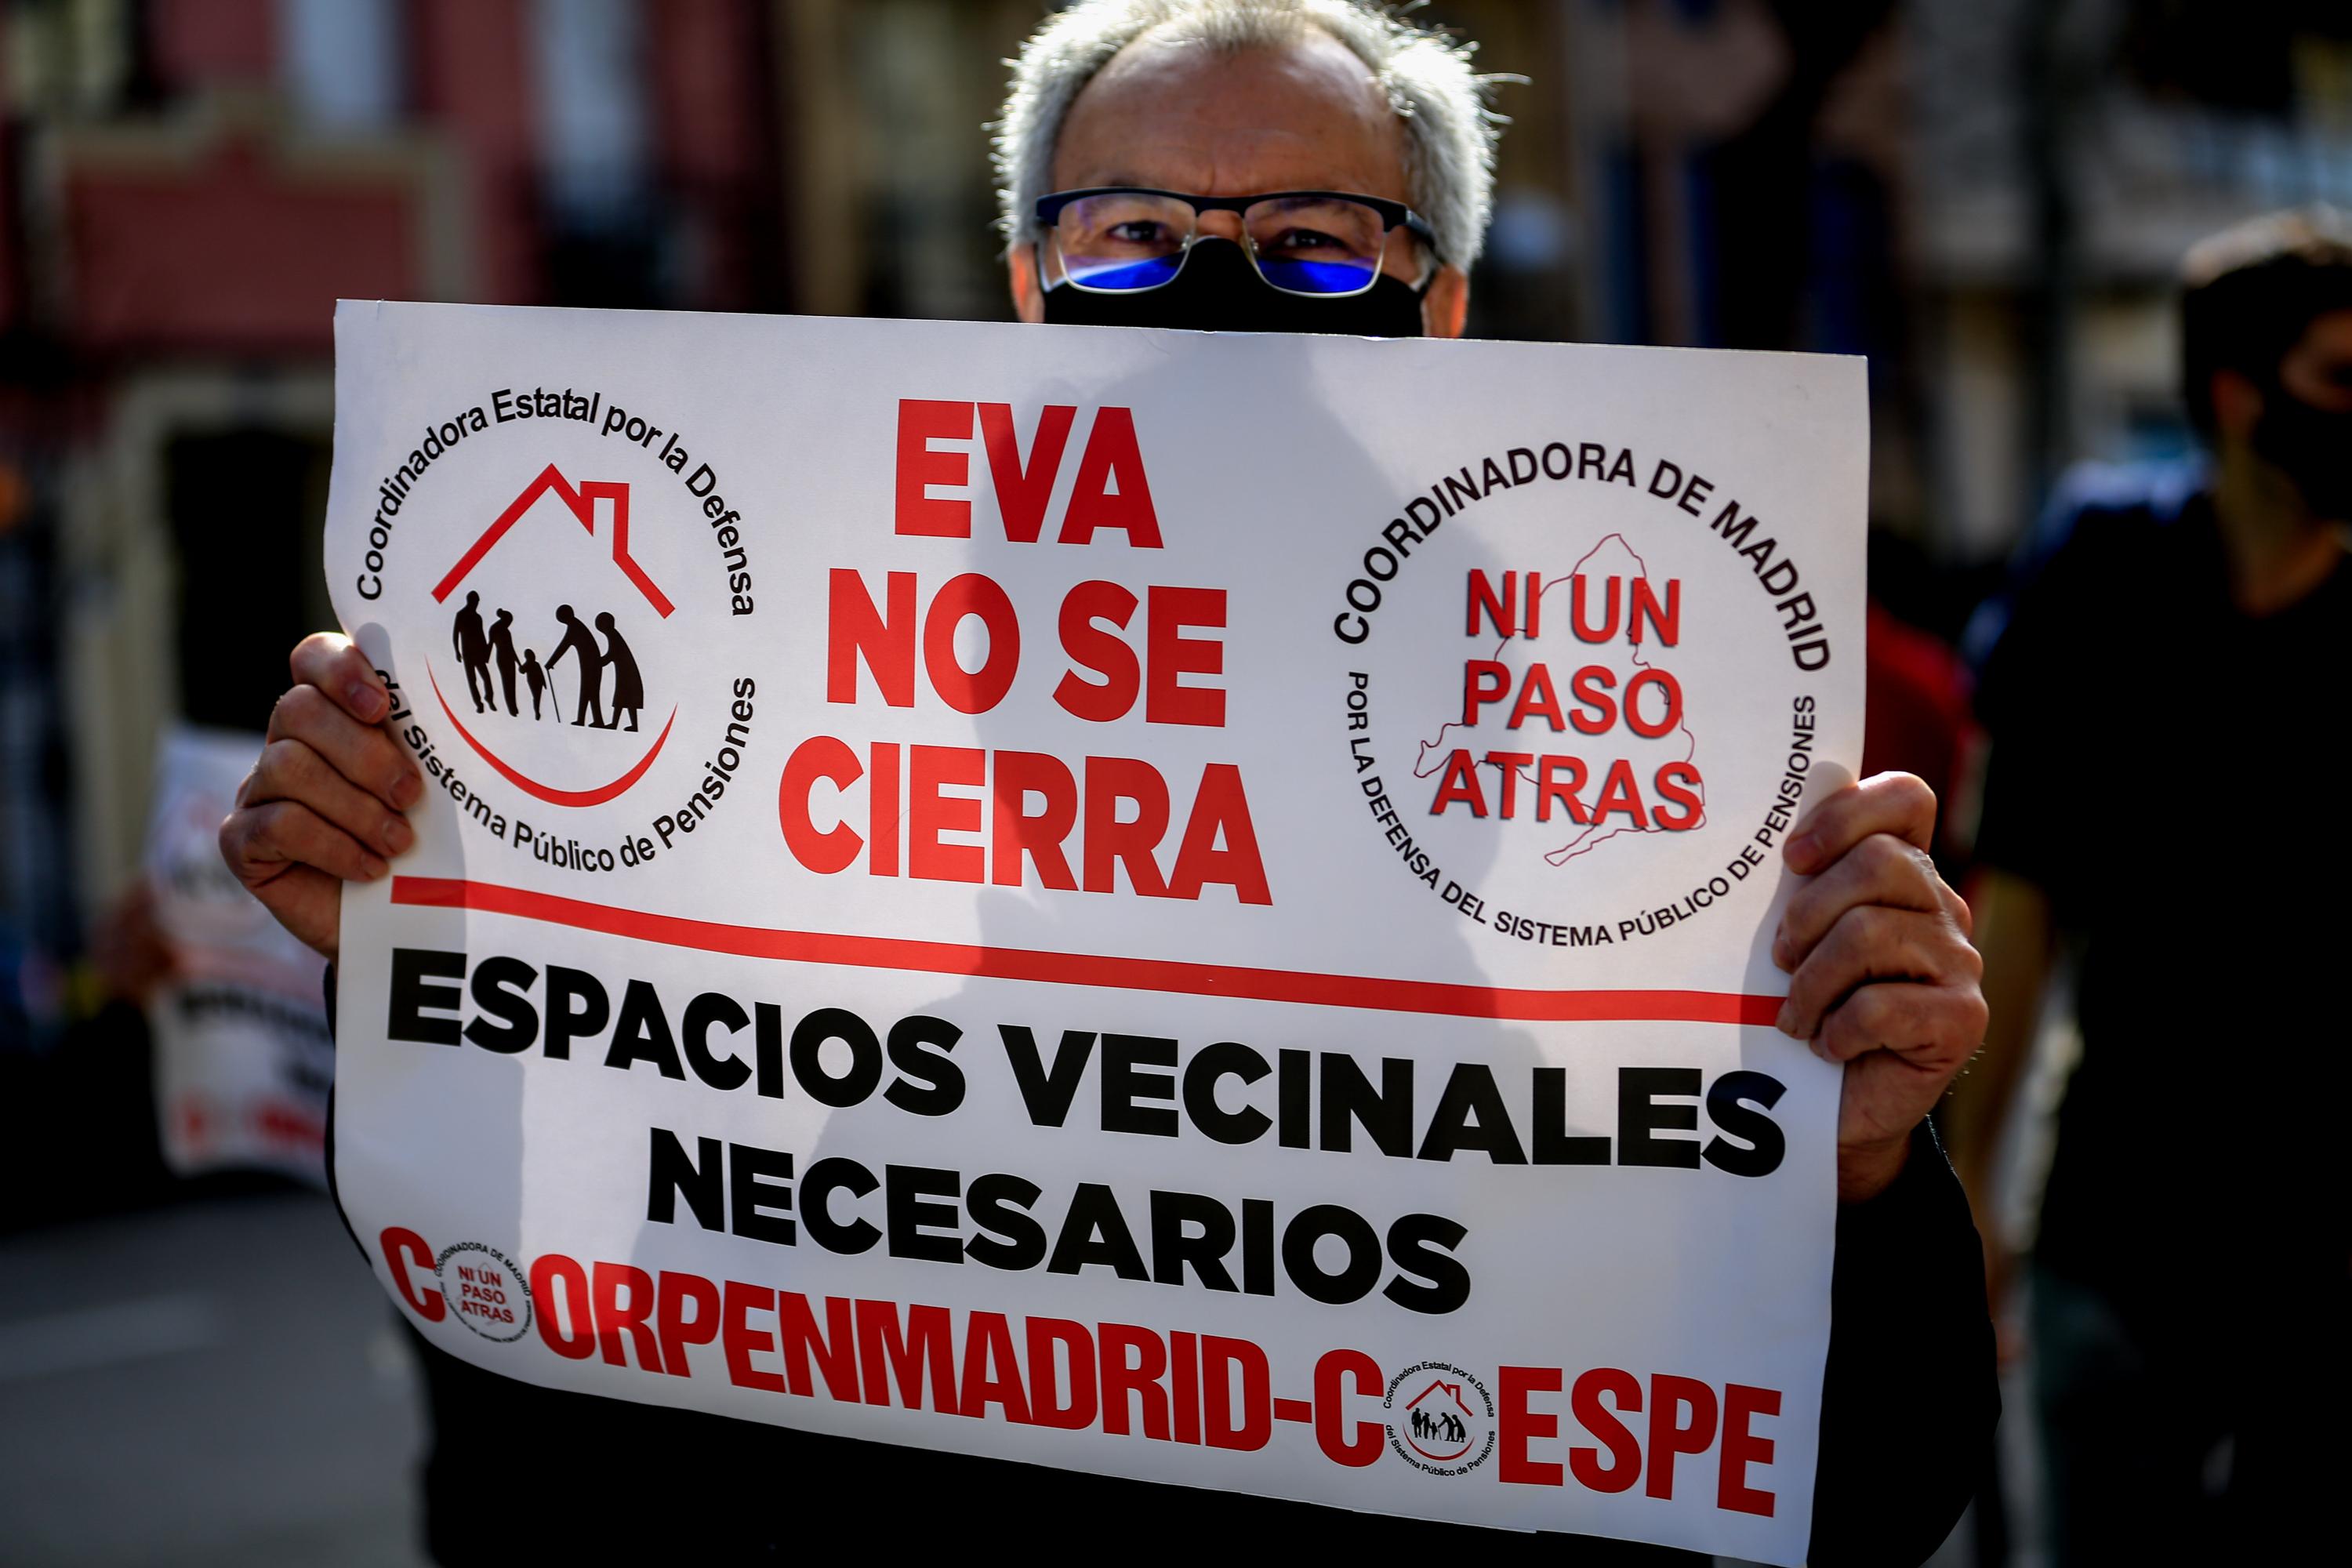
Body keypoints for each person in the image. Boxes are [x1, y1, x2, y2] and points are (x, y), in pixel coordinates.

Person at [217, 4, 1993, 1562]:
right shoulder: (832, 1042)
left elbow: (1843, 1499)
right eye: (1132, 233)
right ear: (1026, 283)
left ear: (1439, 299)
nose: (1215, 284)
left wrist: (1844, 1173)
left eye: (1312, 237)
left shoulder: (1641, 891)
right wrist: (441, 965)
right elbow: (595, 1475)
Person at [1945, 207, 2351, 1564]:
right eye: (2341, 378)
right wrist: (1964, 1216)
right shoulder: (2107, 570)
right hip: (2119, 1236)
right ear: (2237, 396)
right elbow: (2019, 903)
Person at [543, 604, 605, 728]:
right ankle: (590, 720)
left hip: (591, 665)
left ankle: (585, 720)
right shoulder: (576, 625)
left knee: (588, 692)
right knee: (590, 693)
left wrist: (550, 663)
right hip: (591, 664)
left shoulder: (574, 628)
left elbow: (563, 646)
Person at [593, 612, 643, 732]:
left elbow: (612, 654)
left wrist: (599, 662)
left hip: (626, 674)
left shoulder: (613, 635)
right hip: (626, 673)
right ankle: (619, 724)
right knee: (625, 700)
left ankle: (622, 724)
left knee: (624, 699)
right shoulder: (614, 635)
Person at [449, 590, 492, 715]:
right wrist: (457, 651)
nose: (477, 604)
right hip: (467, 654)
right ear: (472, 601)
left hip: (478, 653)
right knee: (472, 680)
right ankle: (479, 704)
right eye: (476, 601)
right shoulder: (461, 615)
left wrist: (485, 652)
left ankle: (488, 697)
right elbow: (455, 634)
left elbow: (482, 635)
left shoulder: (478, 617)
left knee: (486, 677)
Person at [487, 608, 521, 717]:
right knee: (507, 683)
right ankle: (511, 708)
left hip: (509, 658)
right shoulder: (495, 629)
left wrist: (518, 663)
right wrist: (485, 658)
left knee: (511, 683)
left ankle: (514, 707)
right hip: (502, 658)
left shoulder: (505, 630)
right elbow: (490, 644)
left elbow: (511, 648)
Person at [519, 648, 548, 721]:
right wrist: (520, 668)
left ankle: (537, 712)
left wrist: (544, 683)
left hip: (539, 683)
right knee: (536, 697)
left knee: (537, 698)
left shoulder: (536, 664)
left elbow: (541, 674)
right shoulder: (528, 664)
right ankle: (537, 712)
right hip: (533, 682)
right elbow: (522, 671)